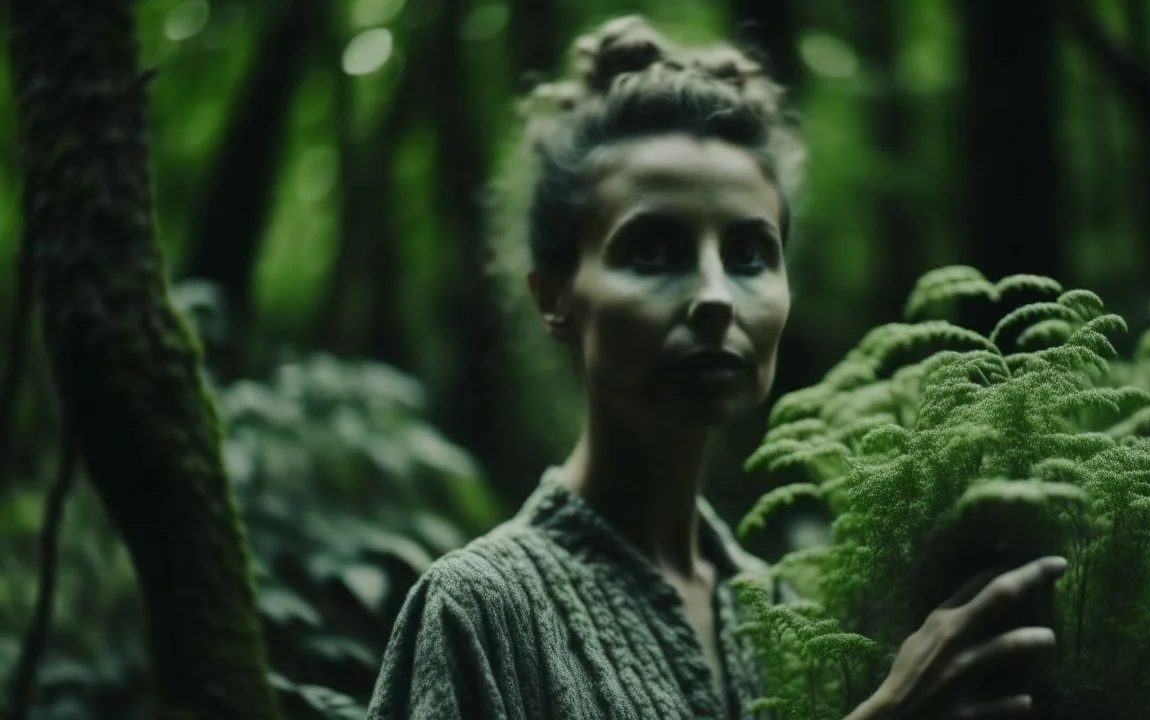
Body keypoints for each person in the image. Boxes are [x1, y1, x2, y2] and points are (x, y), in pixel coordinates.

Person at [366, 15, 1066, 720]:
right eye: (652, 251)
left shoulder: (792, 618)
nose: (713, 296)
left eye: (749, 255)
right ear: (553, 297)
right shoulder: (480, 610)